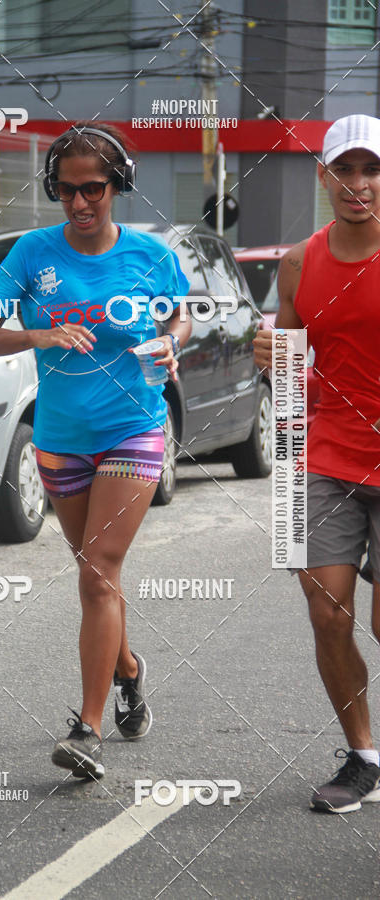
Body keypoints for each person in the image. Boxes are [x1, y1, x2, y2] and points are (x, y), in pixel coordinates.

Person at [0, 122, 191, 779]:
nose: (79, 202)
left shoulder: (149, 256)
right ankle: (127, 670)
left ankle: (87, 730)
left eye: (92, 188)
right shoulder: (32, 255)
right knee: (96, 579)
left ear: (116, 184)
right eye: (66, 191)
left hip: (133, 428)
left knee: (98, 571)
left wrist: (171, 341)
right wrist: (41, 336)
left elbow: (179, 312)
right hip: (61, 441)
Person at [254, 114, 380, 813]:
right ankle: (364, 756)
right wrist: (271, 359)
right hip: (324, 457)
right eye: (346, 169)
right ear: (323, 175)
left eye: (372, 169)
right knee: (327, 612)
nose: (358, 184)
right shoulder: (300, 261)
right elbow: (294, 367)